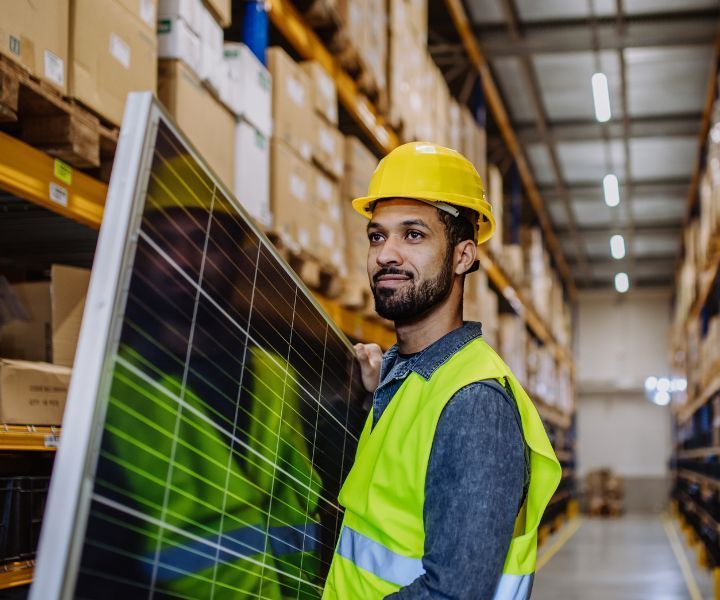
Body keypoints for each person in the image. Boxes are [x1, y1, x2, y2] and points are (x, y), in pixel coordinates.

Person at [322, 142, 562, 599]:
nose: (386, 255)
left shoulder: (474, 405)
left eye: (413, 235)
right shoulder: (400, 375)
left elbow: (452, 594)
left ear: (463, 256)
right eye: (377, 236)